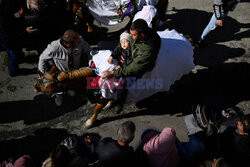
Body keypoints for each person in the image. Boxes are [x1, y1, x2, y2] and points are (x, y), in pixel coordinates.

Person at [101, 19, 161, 112]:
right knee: (103, 46)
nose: (131, 36)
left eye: (133, 35)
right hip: (131, 56)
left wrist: (113, 73)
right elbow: (125, 42)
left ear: (142, 35)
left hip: (139, 66)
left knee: (123, 85)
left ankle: (120, 103)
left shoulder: (148, 50)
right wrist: (115, 54)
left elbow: (134, 68)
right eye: (130, 33)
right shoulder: (137, 36)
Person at [38, 29, 92, 106]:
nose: (68, 45)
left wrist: (91, 63)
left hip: (74, 70)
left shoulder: (79, 40)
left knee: (73, 84)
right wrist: (42, 75)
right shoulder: (54, 46)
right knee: (58, 86)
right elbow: (42, 58)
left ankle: (70, 89)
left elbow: (89, 51)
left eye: (71, 43)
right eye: (66, 42)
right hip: (60, 71)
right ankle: (58, 95)